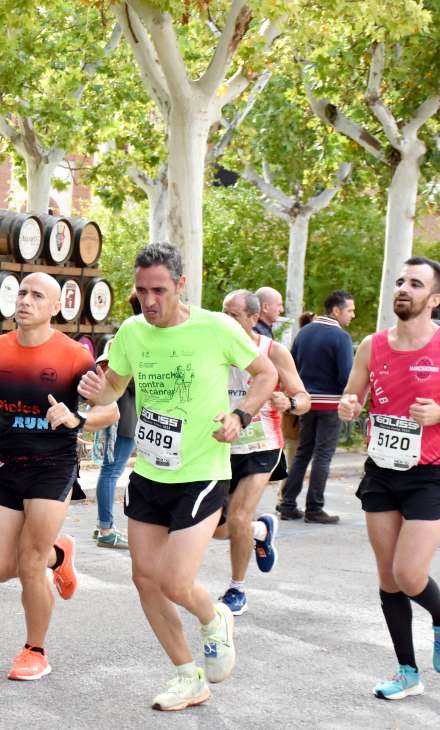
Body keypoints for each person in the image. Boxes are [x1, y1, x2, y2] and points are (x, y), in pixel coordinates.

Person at [78, 243, 278, 711]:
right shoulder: (131, 332)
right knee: (145, 579)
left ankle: (215, 617)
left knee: (174, 580)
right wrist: (95, 390)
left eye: (160, 290)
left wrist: (241, 414)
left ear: (180, 286)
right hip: (149, 470)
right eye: (143, 290)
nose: (150, 301)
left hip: (203, 471)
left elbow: (265, 373)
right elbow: (114, 389)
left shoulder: (216, 327)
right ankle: (188, 676)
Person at [338, 256, 440, 700]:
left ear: (435, 298)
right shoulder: (372, 344)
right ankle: (407, 672)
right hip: (381, 470)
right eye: (401, 281)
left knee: (409, 574)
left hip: (431, 474)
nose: (404, 289)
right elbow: (354, 395)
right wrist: (349, 406)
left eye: (415, 283)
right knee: (388, 578)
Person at [0, 272, 118, 681]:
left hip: (53, 466)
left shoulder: (74, 357)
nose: (25, 300)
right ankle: (58, 555)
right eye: (22, 293)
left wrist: (75, 416)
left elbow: (110, 412)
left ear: (54, 308)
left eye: (37, 295)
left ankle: (35, 650)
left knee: (29, 561)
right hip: (9, 464)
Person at [212, 290, 311, 616]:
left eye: (234, 315)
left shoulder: (273, 351)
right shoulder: (214, 348)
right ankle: (260, 530)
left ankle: (236, 589)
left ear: (254, 319)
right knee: (216, 529)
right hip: (222, 446)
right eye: (223, 312)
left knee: (239, 515)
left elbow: (303, 397)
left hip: (261, 446)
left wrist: (290, 402)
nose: (225, 320)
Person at [279, 289, 356, 523]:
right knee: (323, 456)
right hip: (330, 406)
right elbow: (347, 377)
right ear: (336, 310)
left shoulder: (304, 333)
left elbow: (291, 366)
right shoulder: (341, 337)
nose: (353, 315)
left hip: (305, 404)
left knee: (302, 454)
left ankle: (287, 504)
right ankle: (314, 508)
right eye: (350, 310)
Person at [91, 358, 134, 549]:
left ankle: (102, 525)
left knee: (109, 472)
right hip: (124, 423)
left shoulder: (111, 360)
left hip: (116, 422)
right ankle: (106, 530)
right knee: (111, 473)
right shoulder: (129, 363)